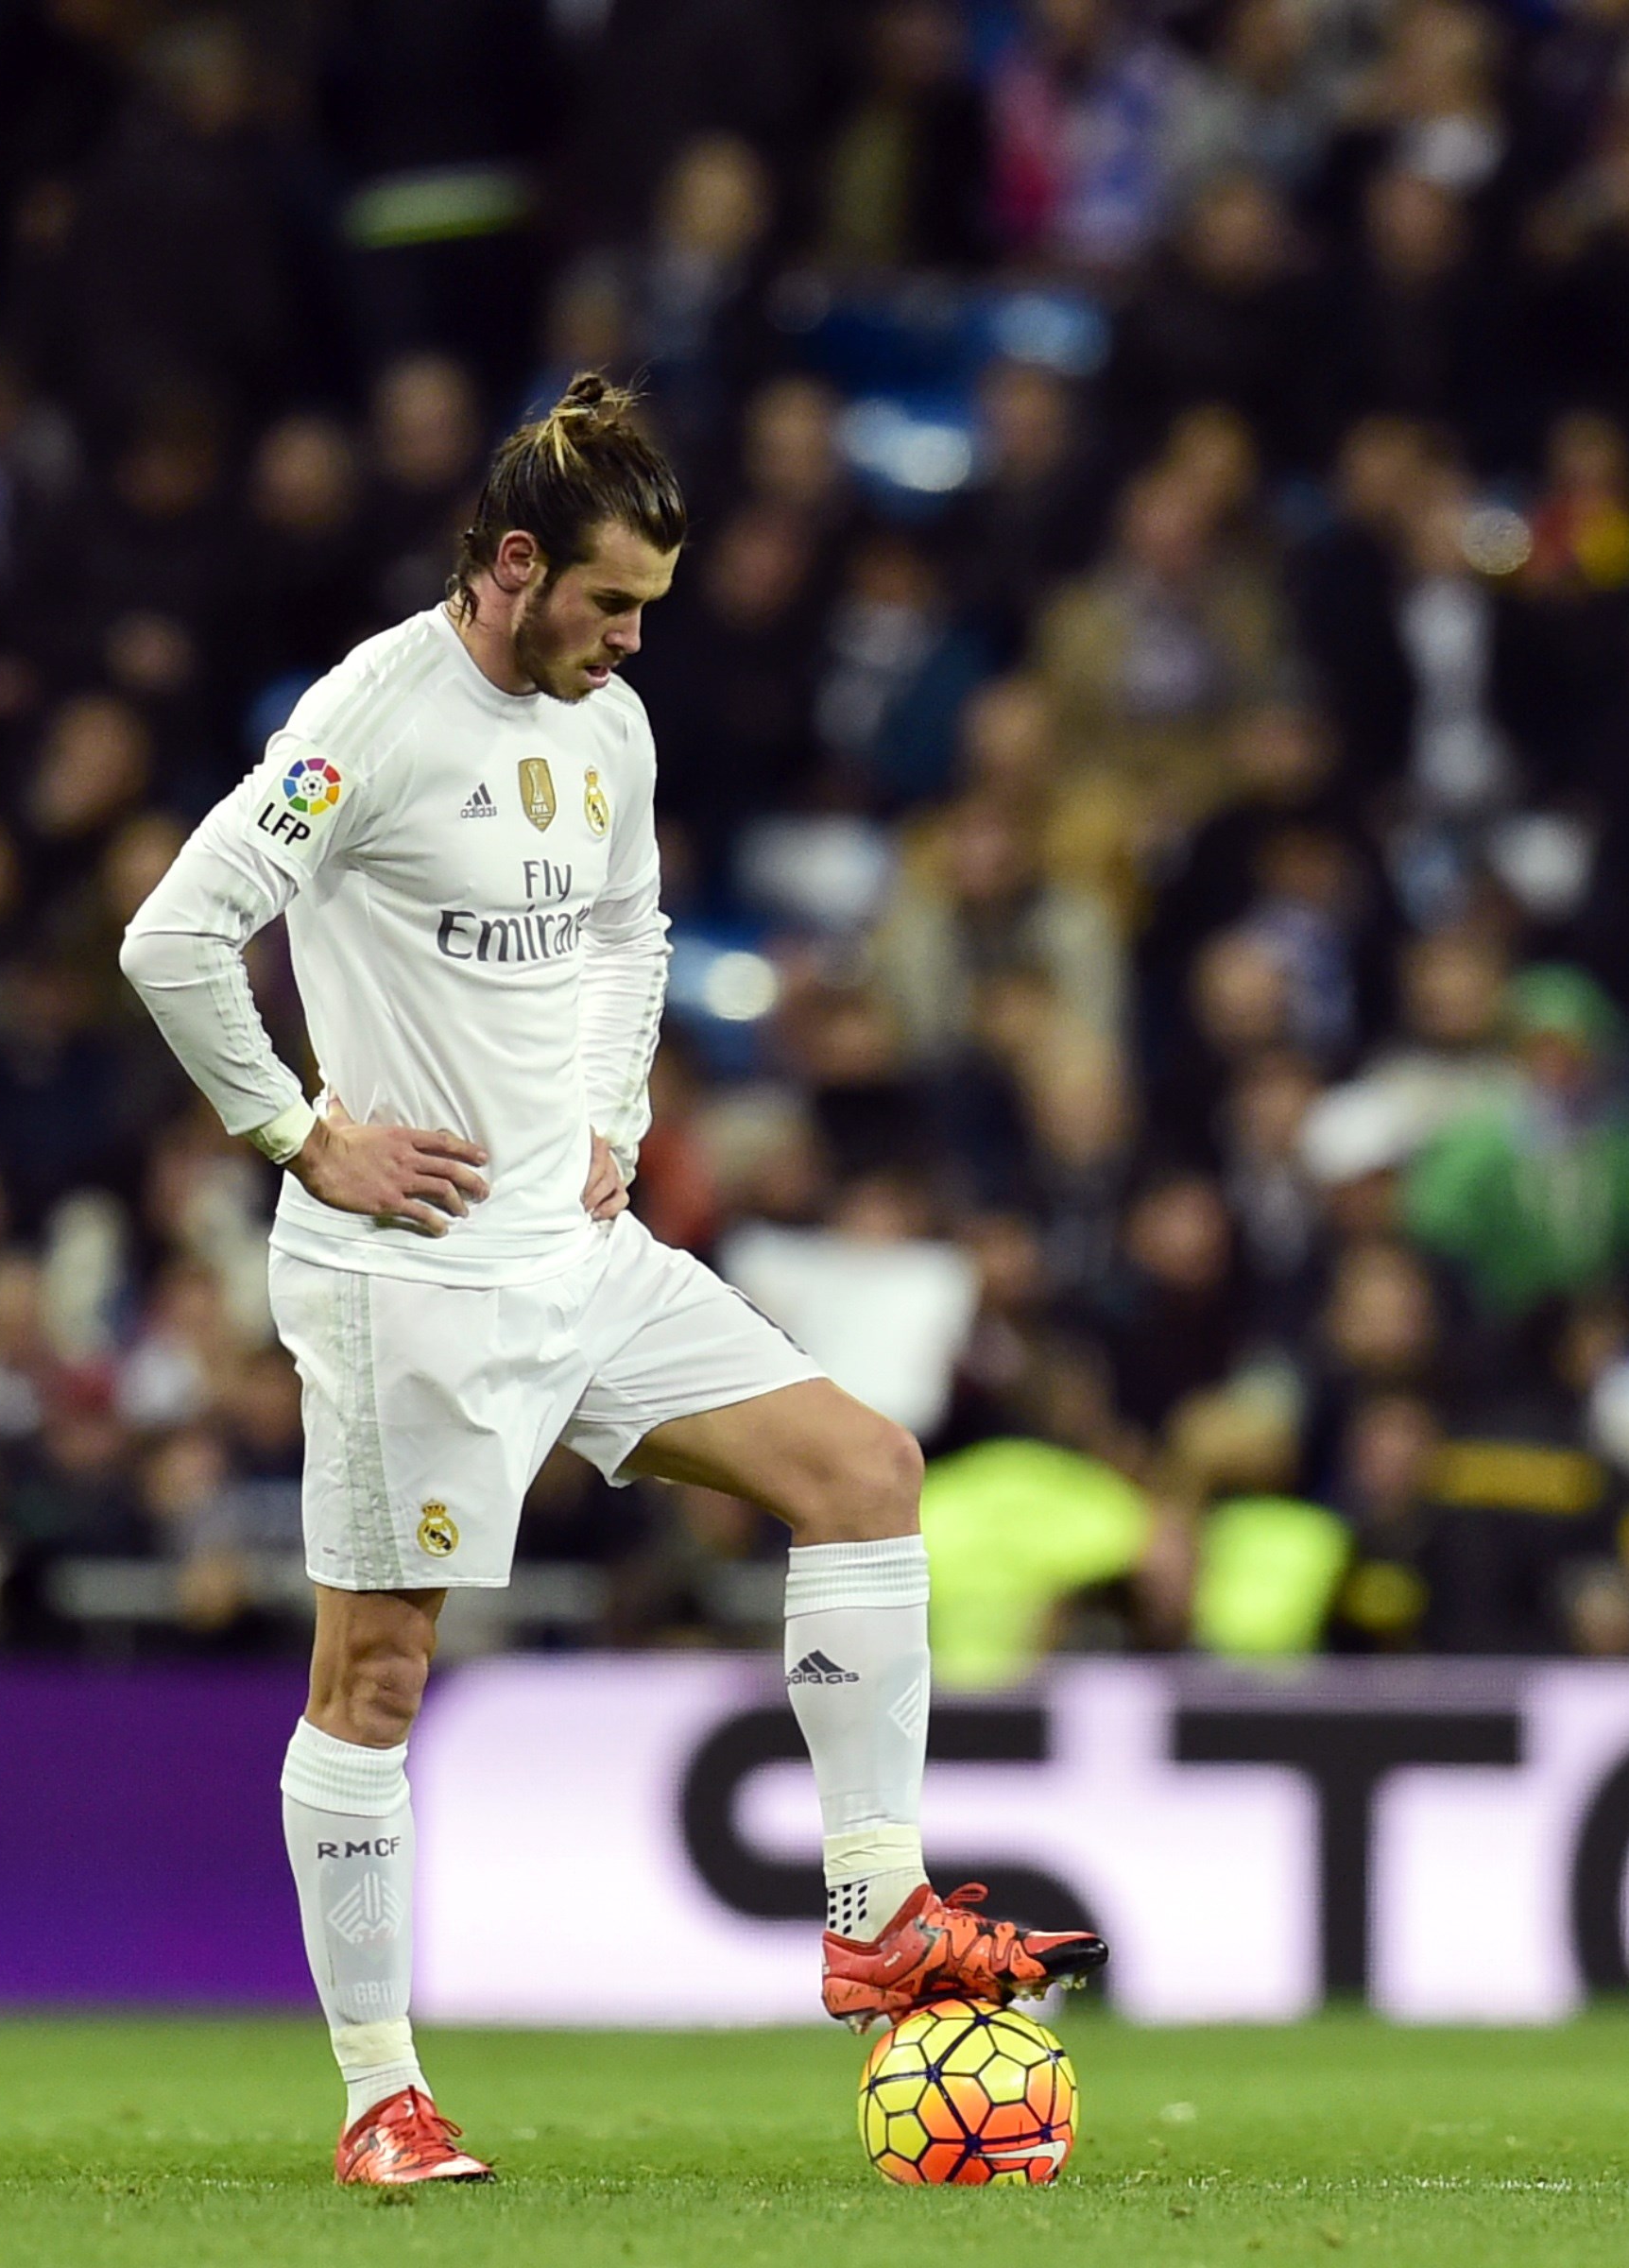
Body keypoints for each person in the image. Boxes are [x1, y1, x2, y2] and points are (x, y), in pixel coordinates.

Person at [115, 376, 1105, 2187]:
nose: (635, 639)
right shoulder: (372, 716)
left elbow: (629, 929)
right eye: (612, 604)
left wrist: (614, 1116)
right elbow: (173, 935)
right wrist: (296, 1130)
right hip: (405, 1278)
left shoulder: (615, 728)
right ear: (513, 568)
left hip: (582, 1259)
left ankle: (874, 1910)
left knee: (863, 1471)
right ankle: (379, 2096)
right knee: (378, 1682)